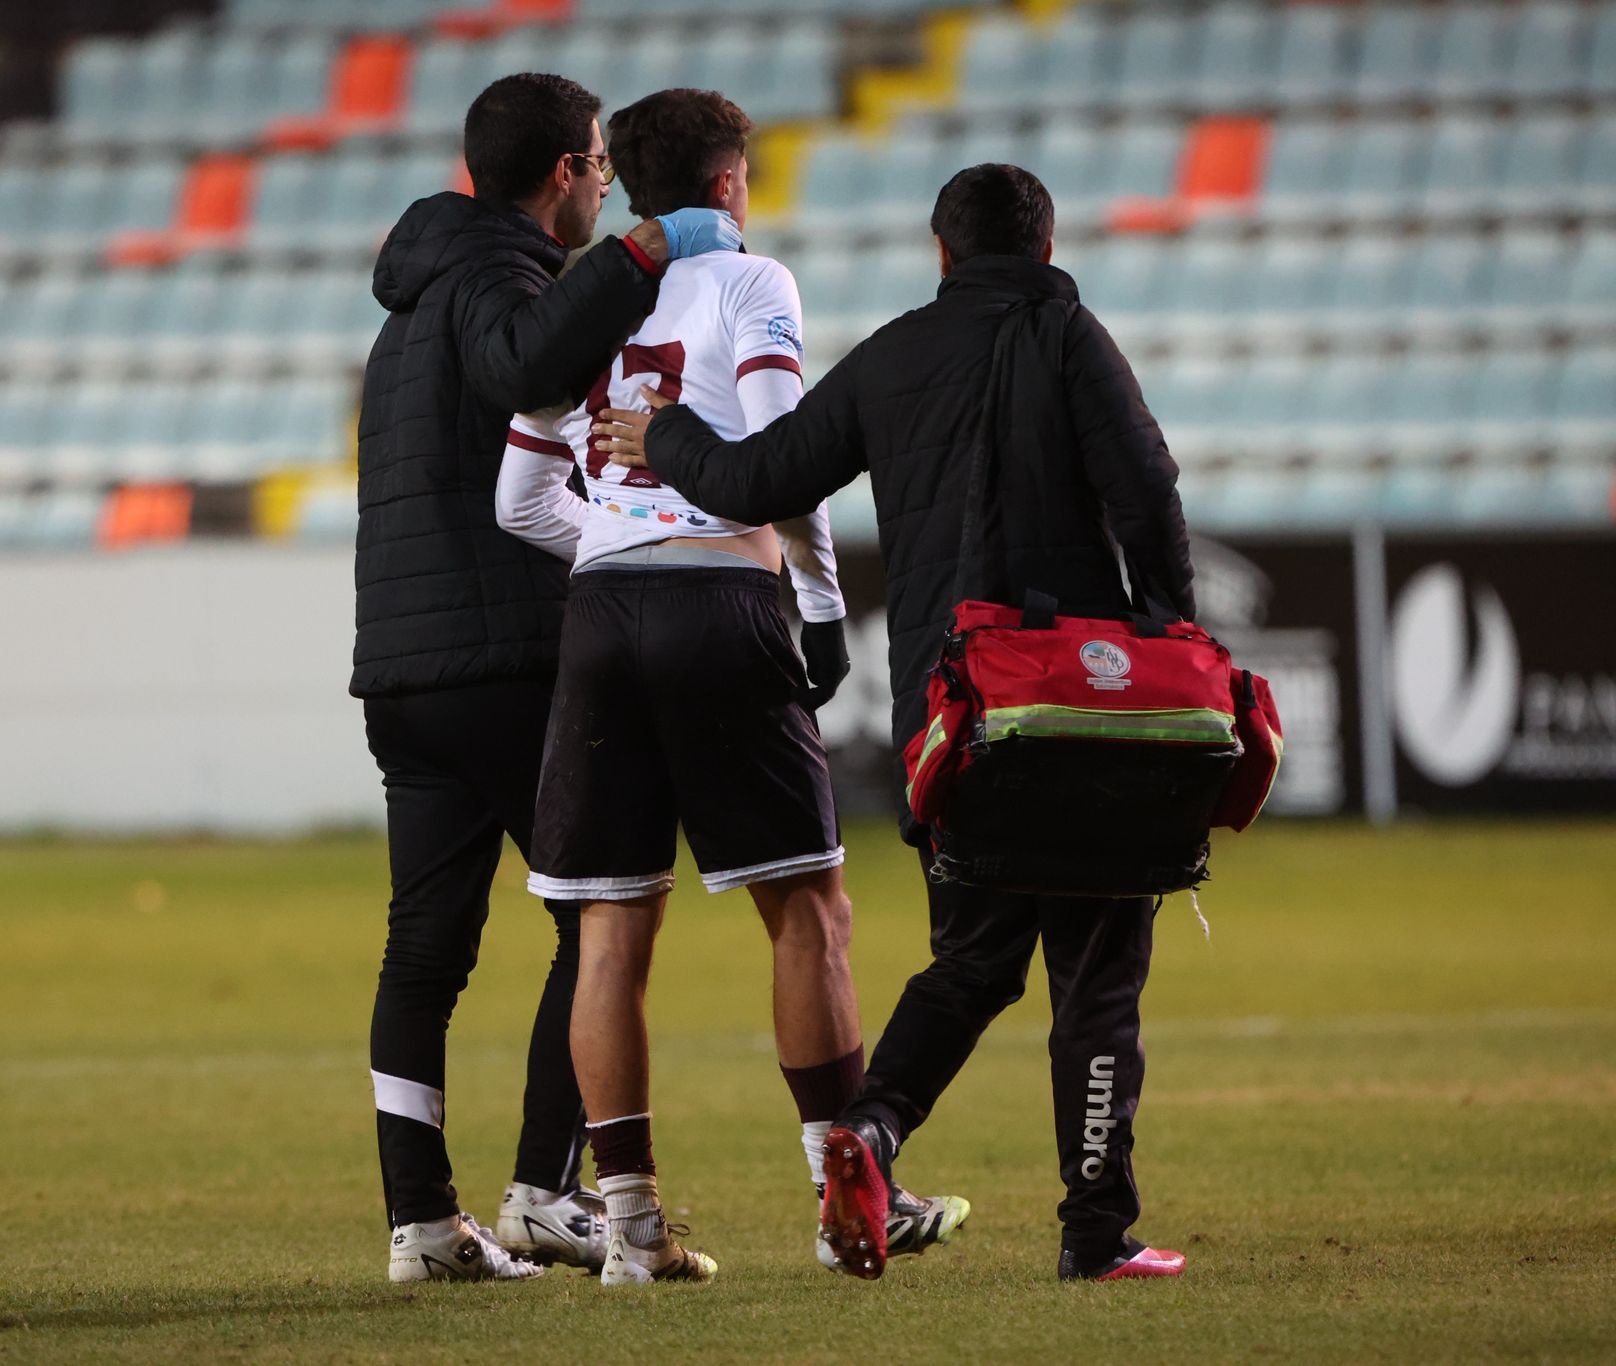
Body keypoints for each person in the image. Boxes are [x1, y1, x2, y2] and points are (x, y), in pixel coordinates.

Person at [594, 163, 1197, 1282]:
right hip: (1076, 702)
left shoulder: (893, 354)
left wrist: (665, 436)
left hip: (953, 712)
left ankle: (865, 1136)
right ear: (1046, 248)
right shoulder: (1071, 339)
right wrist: (1168, 634)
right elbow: (1147, 489)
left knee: (969, 961)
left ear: (941, 254)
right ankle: (1093, 1231)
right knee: (1096, 973)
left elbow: (765, 476)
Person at [494, 88, 966, 1287]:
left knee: (609, 930)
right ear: (724, 185)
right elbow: (780, 459)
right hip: (721, 604)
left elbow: (517, 500)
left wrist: (619, 541)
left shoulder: (584, 301)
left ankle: (630, 1228)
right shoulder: (752, 282)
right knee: (808, 911)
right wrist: (819, 606)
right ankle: (843, 1196)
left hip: (600, 616)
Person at [355, 71, 741, 1284]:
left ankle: (423, 1222)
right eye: (600, 169)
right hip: (503, 657)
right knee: (604, 911)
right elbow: (523, 362)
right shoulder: (493, 274)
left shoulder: (416, 292)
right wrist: (643, 254)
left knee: (424, 951)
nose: (610, 190)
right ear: (566, 172)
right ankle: (543, 1189)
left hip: (404, 668)